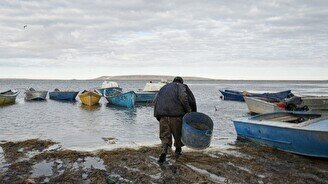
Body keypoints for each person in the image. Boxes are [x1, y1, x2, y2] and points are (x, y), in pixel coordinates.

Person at [154, 76, 197, 163]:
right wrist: (189, 110)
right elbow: (183, 98)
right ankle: (178, 152)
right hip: (176, 116)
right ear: (181, 82)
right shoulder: (181, 86)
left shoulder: (164, 87)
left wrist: (158, 115)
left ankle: (164, 151)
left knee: (165, 136)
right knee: (178, 135)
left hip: (162, 115)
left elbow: (156, 100)